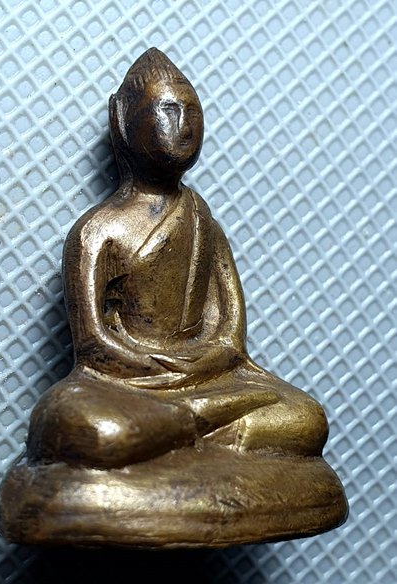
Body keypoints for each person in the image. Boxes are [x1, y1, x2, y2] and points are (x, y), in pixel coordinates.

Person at [26, 48, 328, 470]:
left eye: (192, 113)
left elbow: (229, 329)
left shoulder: (202, 218)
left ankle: (181, 431)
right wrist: (154, 365)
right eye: (168, 111)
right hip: (127, 382)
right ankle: (197, 426)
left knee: (304, 418)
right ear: (122, 121)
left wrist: (207, 360)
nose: (183, 125)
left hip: (208, 377)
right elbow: (92, 343)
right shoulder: (99, 230)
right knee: (91, 428)